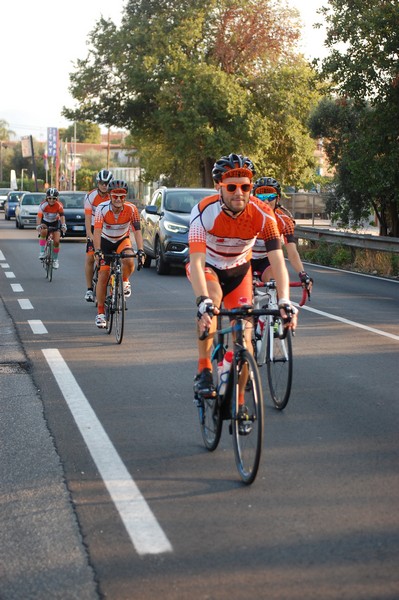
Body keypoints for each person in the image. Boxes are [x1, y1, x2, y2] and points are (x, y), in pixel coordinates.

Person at [186, 153, 297, 403]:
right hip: (209, 268)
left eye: (245, 186)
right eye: (232, 186)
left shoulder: (264, 213)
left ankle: (240, 405)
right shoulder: (204, 211)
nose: (239, 192)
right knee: (212, 302)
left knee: (245, 341)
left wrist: (285, 300)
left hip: (239, 271)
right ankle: (204, 369)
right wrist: (201, 300)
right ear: (219, 187)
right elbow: (196, 261)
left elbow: (277, 260)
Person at [93, 179, 146, 329]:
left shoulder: (132, 209)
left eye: (121, 196)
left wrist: (141, 250)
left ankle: (124, 280)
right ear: (109, 195)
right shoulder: (101, 209)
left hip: (122, 240)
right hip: (105, 241)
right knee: (103, 275)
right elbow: (97, 231)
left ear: (125, 197)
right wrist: (97, 251)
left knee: (129, 260)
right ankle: (101, 313)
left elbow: (137, 231)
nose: (118, 199)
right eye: (115, 196)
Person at [251, 176, 313, 291]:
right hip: (245, 259)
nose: (265, 201)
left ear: (277, 198)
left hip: (267, 259)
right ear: (254, 198)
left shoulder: (284, 220)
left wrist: (302, 274)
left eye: (270, 197)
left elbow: (292, 252)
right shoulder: (246, 217)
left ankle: (275, 305)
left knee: (276, 283)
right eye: (261, 196)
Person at [83, 169, 113, 302]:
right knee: (90, 258)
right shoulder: (90, 196)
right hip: (95, 227)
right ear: (98, 183)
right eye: (102, 183)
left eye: (107, 183)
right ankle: (89, 289)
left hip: (108, 228)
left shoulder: (113, 196)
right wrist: (89, 234)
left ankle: (112, 288)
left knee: (112, 258)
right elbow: (88, 217)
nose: (104, 186)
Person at [37, 188, 67, 269]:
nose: (51, 200)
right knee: (43, 231)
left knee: (56, 241)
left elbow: (62, 216)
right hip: (45, 222)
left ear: (57, 199)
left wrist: (63, 225)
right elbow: (39, 216)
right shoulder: (43, 205)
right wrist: (38, 225)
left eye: (54, 198)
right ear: (47, 198)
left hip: (55, 222)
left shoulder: (59, 205)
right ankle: (42, 252)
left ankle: (55, 260)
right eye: (49, 198)